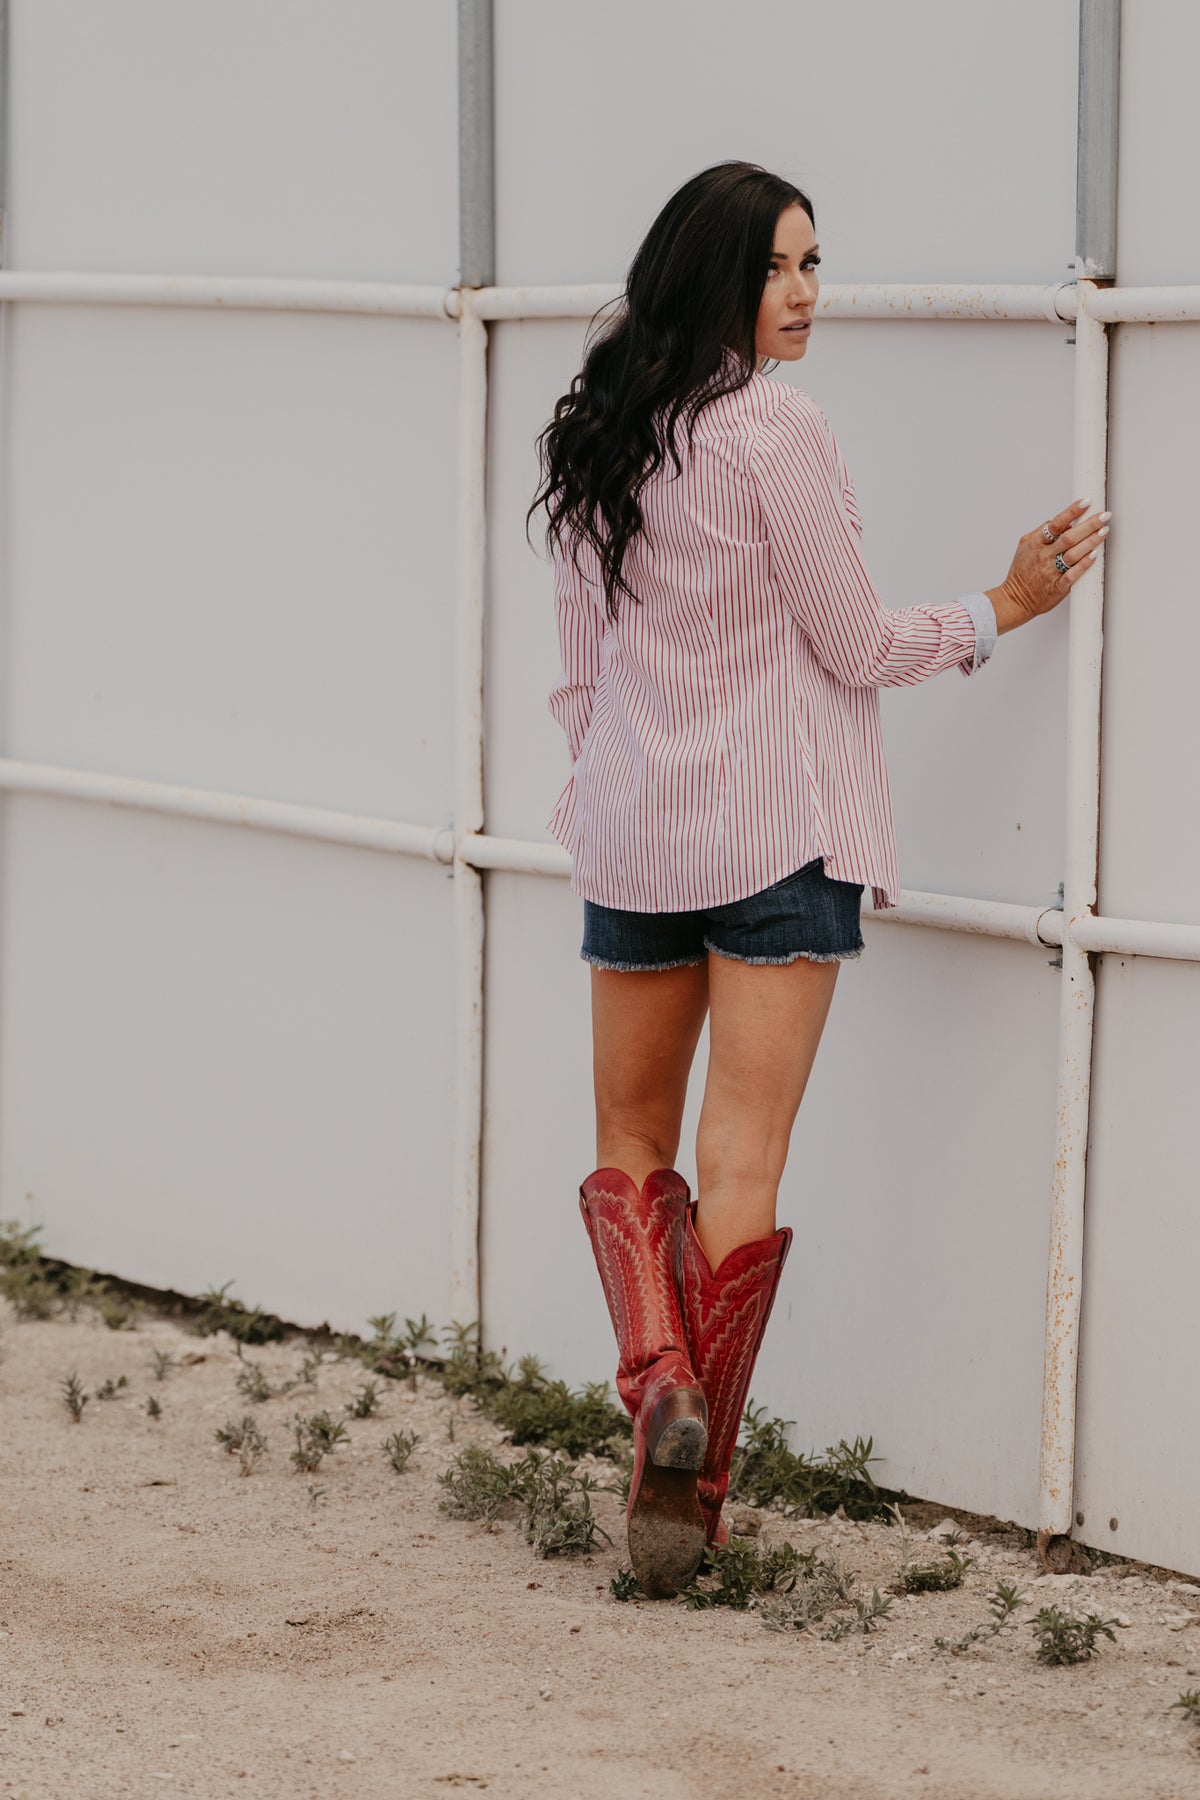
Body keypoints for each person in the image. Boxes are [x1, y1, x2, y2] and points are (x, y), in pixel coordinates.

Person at [526, 160, 1110, 1598]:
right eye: (777, 268)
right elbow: (854, 644)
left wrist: (607, 794)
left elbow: (579, 678)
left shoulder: (604, 427)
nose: (802, 294)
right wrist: (1003, 605)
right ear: (713, 277)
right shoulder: (776, 428)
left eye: (812, 265)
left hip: (637, 835)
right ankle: (695, 1490)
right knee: (741, 1162)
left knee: (628, 1140)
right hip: (781, 834)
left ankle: (657, 1375)